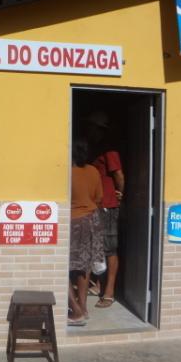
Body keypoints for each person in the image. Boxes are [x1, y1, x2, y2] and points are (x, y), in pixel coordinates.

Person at [85, 112, 125, 309]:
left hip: (108, 206)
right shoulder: (96, 149)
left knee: (109, 248)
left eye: (92, 127)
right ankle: (99, 285)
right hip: (96, 204)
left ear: (99, 129)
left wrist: (120, 194)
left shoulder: (110, 151)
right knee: (98, 246)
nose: (89, 131)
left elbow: (119, 175)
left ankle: (109, 292)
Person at [69, 139, 104, 326]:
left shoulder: (67, 173)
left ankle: (76, 311)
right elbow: (99, 198)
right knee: (84, 266)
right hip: (92, 221)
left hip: (74, 222)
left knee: (63, 267)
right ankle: (84, 308)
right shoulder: (93, 171)